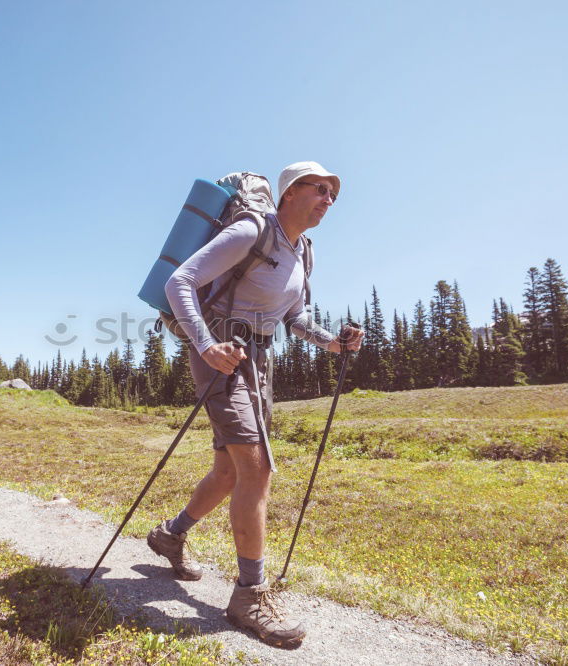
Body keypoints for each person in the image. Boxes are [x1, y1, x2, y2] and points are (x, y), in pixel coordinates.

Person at [147, 161, 364, 648]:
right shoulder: (252, 230)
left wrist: (333, 343)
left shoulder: (303, 251)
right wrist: (206, 347)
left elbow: (295, 316)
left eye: (334, 193)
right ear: (290, 193)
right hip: (220, 354)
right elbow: (179, 282)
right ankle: (249, 595)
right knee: (258, 468)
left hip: (258, 362)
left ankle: (170, 535)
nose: (329, 198)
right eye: (320, 188)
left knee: (229, 471)